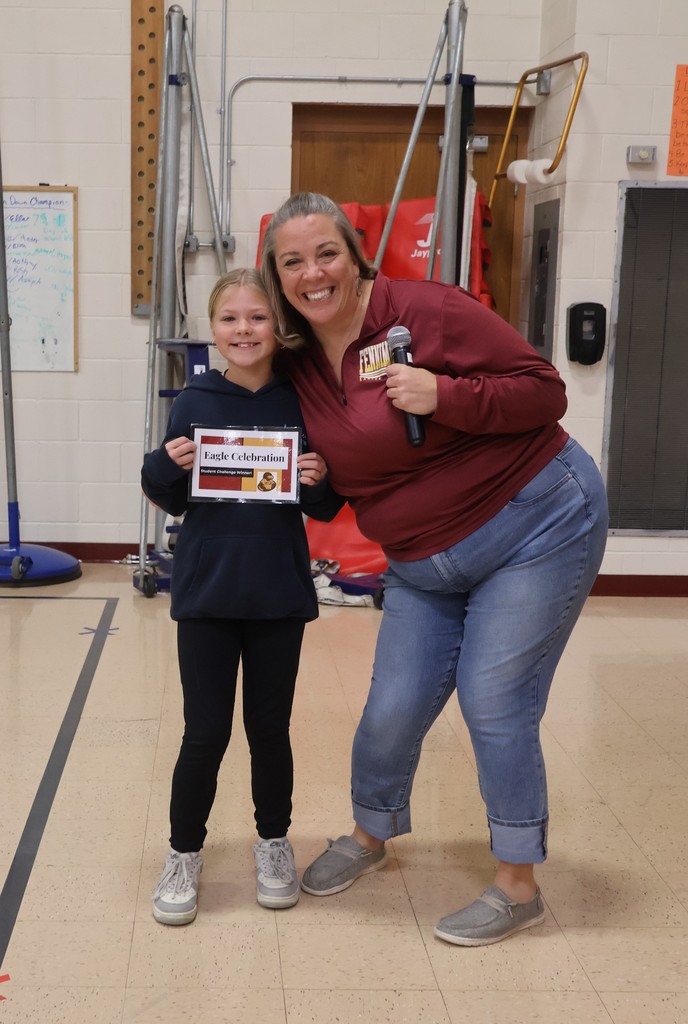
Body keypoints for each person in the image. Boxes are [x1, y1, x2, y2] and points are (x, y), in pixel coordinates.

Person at [260, 192, 608, 947]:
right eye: (292, 262)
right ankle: (369, 835)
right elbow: (334, 487)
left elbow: (544, 390)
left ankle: (518, 884)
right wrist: (306, 479)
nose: (313, 273)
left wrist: (444, 394)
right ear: (277, 276)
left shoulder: (423, 311)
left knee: (494, 698)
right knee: (392, 705)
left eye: (326, 254)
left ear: (356, 255)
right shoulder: (296, 362)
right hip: (420, 558)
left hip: (533, 523)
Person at [141, 267, 342, 925]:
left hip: (278, 594)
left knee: (269, 730)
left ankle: (274, 844)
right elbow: (166, 490)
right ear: (214, 329)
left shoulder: (301, 399)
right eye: (231, 319)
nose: (245, 330)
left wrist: (316, 478)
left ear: (276, 326)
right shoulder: (195, 400)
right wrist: (166, 465)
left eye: (257, 318)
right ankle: (183, 853)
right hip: (206, 592)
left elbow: (323, 500)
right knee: (204, 732)